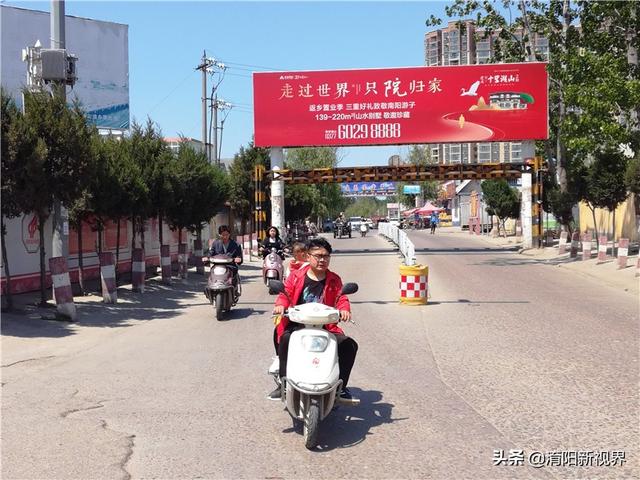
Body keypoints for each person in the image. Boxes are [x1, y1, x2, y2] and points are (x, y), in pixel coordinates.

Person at [268, 237, 358, 401]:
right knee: (284, 338)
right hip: (298, 325)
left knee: (349, 346)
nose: (322, 260)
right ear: (308, 256)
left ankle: (341, 387)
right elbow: (284, 294)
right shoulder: (295, 276)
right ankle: (283, 384)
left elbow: (341, 298)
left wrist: (344, 309)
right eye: (317, 256)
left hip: (326, 327)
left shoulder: (334, 279)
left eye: (325, 256)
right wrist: (281, 306)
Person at [208, 225, 243, 293]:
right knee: (211, 274)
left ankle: (234, 289)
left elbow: (239, 256)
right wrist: (207, 257)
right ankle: (210, 289)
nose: (225, 237)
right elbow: (211, 253)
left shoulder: (236, 244)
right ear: (219, 235)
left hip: (230, 266)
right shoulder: (215, 243)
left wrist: (238, 259)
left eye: (226, 234)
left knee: (233, 275)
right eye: (223, 235)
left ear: (229, 234)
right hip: (217, 266)